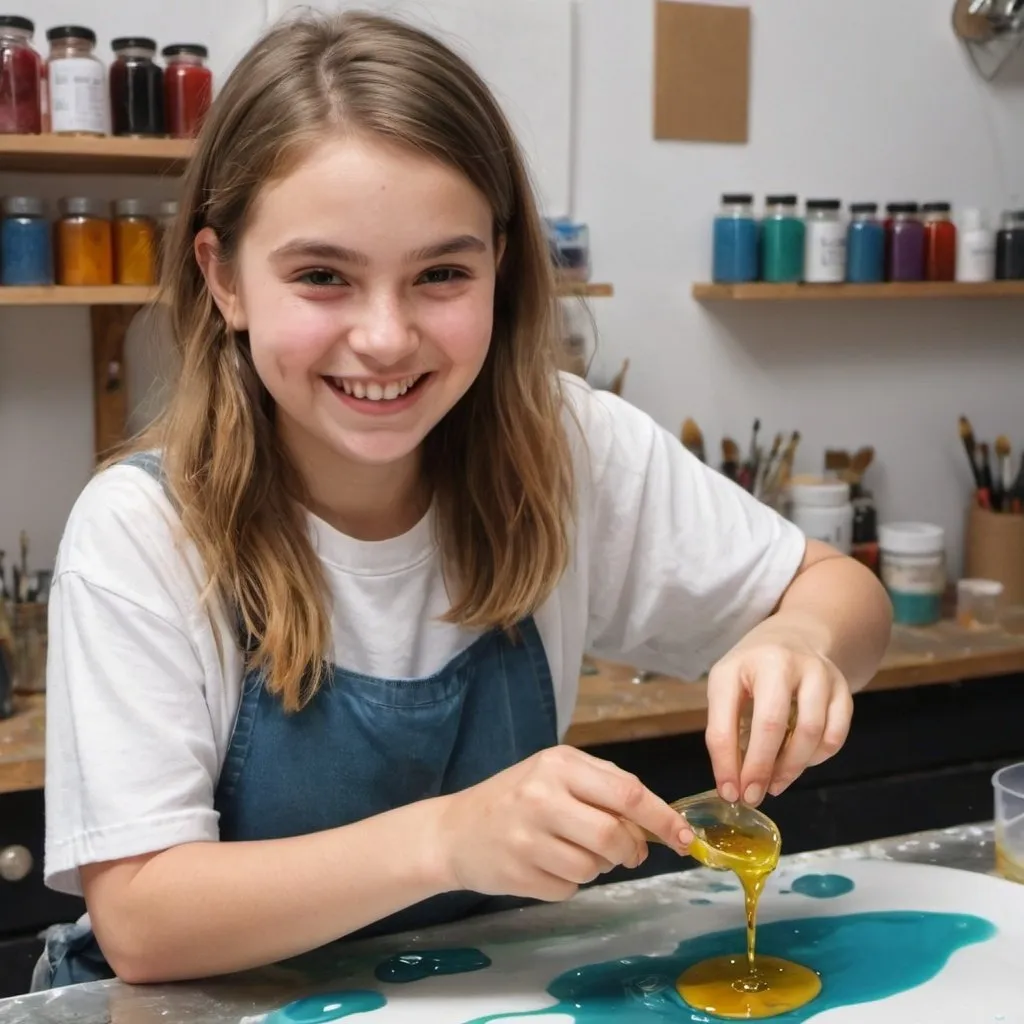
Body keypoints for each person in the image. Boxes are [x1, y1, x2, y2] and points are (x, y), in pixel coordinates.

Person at [39, 9, 892, 990]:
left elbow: (839, 592)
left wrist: (802, 642)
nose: (387, 337)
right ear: (223, 276)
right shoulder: (144, 532)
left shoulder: (569, 449)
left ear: (501, 266)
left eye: (441, 273)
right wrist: (448, 838)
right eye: (322, 276)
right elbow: (145, 918)